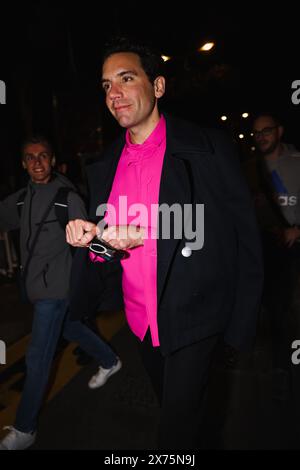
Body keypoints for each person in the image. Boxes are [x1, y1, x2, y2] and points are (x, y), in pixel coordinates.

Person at [66, 37, 263, 449]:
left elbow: (238, 234)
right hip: (140, 321)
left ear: (157, 86)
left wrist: (240, 328)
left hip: (196, 316)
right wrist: (91, 237)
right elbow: (111, 246)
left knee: (175, 432)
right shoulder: (103, 167)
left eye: (125, 78)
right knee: (180, 417)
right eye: (106, 85)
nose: (114, 94)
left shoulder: (206, 148)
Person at [0, 136, 121, 451]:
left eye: (43, 156)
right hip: (37, 288)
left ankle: (26, 429)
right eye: (30, 158)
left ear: (53, 160)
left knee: (38, 356)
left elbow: (86, 244)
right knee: (71, 327)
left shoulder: (67, 198)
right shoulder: (23, 199)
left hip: (58, 288)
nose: (37, 162)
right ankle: (110, 359)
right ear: (23, 163)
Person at [252, 113, 300, 396]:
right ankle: (278, 362)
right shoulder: (249, 168)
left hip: (292, 243)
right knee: (272, 305)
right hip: (263, 247)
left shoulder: (296, 163)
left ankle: (283, 365)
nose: (261, 137)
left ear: (279, 131)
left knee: (286, 306)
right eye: (257, 133)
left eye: (266, 131)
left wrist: (297, 231)